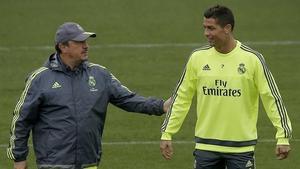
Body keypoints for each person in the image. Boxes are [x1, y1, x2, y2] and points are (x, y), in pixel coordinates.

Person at [7, 22, 171, 169]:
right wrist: (19, 158)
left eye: (86, 41)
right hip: (55, 164)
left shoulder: (100, 74)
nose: (85, 46)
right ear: (63, 47)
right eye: (79, 42)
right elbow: (21, 119)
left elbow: (127, 99)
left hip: (89, 163)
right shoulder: (40, 79)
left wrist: (161, 106)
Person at [160, 5, 292, 169]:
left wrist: (283, 136)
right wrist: (167, 133)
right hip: (205, 148)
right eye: (205, 28)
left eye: (211, 28)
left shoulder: (252, 59)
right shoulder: (197, 58)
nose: (206, 33)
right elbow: (181, 97)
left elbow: (272, 98)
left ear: (227, 28)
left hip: (241, 149)